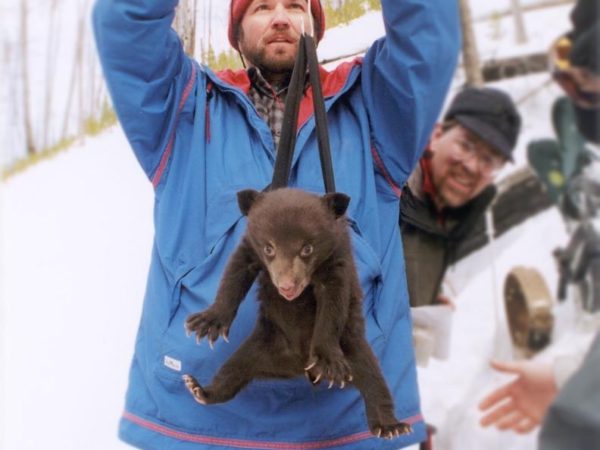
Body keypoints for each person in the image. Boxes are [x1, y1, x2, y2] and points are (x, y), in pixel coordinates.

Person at [92, 0, 460, 448]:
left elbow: (428, 33)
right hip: (193, 419)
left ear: (316, 24)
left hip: (346, 412)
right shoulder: (182, 109)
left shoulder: (375, 109)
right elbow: (123, 23)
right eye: (261, 7)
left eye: (293, 5)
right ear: (237, 34)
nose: (281, 17)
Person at [478, 0, 600, 443]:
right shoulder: (567, 121)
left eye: (587, 85)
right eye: (570, 83)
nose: (579, 96)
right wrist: (571, 376)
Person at [400, 86, 522, 309]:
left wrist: (428, 298)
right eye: (466, 145)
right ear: (437, 135)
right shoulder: (388, 188)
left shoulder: (460, 210)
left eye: (489, 160)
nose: (472, 166)